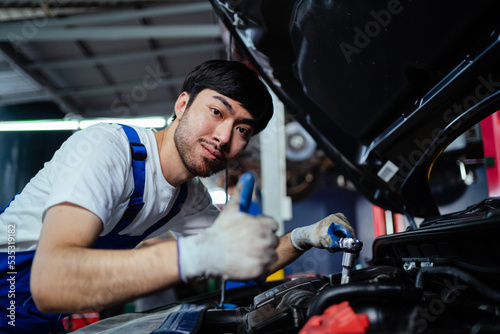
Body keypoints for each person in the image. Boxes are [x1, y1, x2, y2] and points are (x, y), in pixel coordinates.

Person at [0, 60, 355, 333]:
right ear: (183, 103)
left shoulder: (188, 198)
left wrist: (304, 236)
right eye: (216, 112)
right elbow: (51, 282)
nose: (223, 136)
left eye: (242, 129)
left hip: (33, 321)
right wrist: (200, 253)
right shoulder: (107, 148)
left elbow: (245, 257)